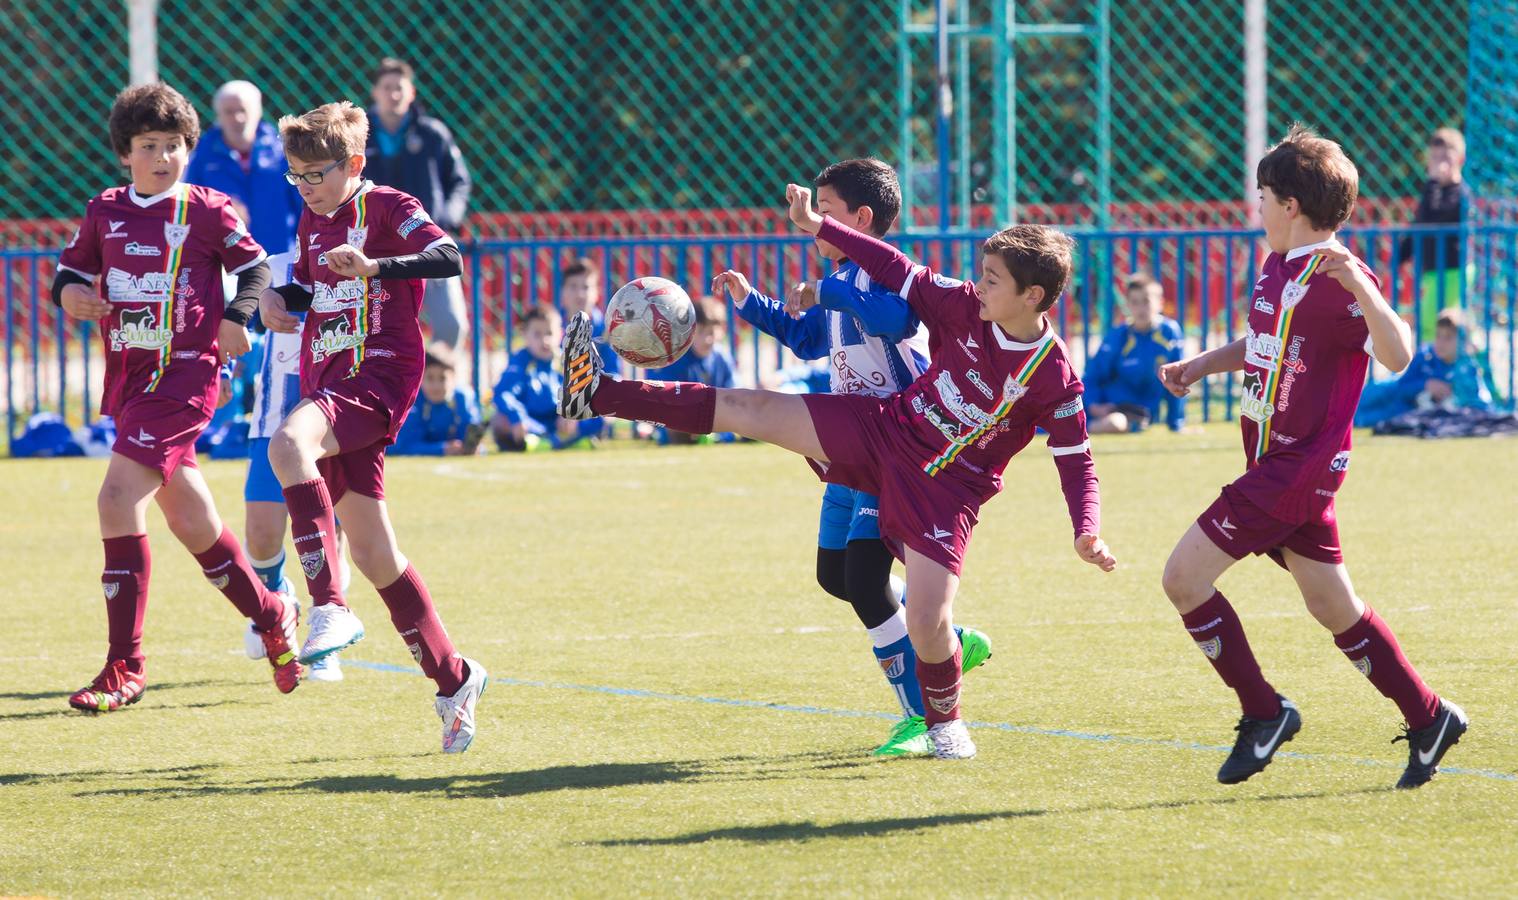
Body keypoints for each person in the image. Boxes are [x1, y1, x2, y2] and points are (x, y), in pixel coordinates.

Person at [560, 183, 1116, 760]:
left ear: (1033, 297)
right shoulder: (962, 304)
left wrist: (1087, 528)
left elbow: (1077, 460)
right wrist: (817, 225)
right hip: (886, 428)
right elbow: (894, 265)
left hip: (946, 489)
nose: (979, 284)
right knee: (752, 409)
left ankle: (946, 727)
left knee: (927, 620)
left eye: (993, 278)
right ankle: (599, 392)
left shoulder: (1054, 377)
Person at [1158, 125, 1467, 790]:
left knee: (1183, 579)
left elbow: (1397, 354)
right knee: (1335, 608)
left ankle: (1264, 713)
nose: (1259, 208)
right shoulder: (1279, 268)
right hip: (1276, 464)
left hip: (1294, 471)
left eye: (1264, 196)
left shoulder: (1336, 276)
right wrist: (1203, 365)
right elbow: (1267, 342)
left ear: (1291, 205)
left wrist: (1366, 289)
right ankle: (1430, 716)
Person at [713, 158, 990, 757]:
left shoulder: (887, 277)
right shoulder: (840, 276)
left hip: (892, 444)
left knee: (865, 579)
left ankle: (924, 713)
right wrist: (751, 303)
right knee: (834, 576)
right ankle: (945, 636)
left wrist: (829, 290)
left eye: (824, 212)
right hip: (846, 446)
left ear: (860, 219)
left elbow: (896, 321)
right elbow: (811, 339)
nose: (812, 223)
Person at [51, 83, 302, 712]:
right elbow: (71, 272)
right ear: (125, 156)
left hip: (187, 377)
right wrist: (70, 297)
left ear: (189, 149)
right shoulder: (105, 210)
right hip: (132, 381)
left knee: (115, 498)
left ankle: (124, 667)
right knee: (191, 520)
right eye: (148, 146)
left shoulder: (209, 210)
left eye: (174, 145)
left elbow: (257, 269)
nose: (163, 157)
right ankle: (271, 611)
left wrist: (236, 318)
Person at [259, 101, 486, 752]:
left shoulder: (387, 206)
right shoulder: (312, 216)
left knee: (287, 444)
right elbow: (307, 286)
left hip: (380, 373)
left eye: (316, 174)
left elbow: (447, 258)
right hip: (328, 380)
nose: (305, 188)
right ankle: (454, 678)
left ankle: (328, 603)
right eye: (296, 176)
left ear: (353, 164)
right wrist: (279, 299)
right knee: (375, 550)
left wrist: (379, 267)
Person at [237, 249, 351, 682]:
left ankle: (325, 641)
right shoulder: (271, 265)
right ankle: (276, 598)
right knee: (262, 535)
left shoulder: (352, 263)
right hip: (273, 418)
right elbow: (232, 321)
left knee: (331, 535)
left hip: (334, 420)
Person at [365, 58, 472, 356]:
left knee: (451, 324)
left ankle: (435, 388)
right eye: (387, 88)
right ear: (375, 92)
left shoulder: (432, 134)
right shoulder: (359, 137)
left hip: (427, 245)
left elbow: (459, 182)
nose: (393, 95)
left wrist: (446, 219)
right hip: (378, 251)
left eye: (400, 88)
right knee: (381, 331)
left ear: (411, 92)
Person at [184, 80, 303, 256]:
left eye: (243, 110)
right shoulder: (202, 156)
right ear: (218, 115)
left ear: (258, 111)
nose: (237, 118)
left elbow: (303, 206)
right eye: (229, 112)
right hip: (227, 259)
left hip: (281, 255)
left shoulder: (283, 151)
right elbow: (190, 210)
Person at [1354, 307, 1501, 427]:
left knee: (1369, 419)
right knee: (1364, 398)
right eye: (1438, 336)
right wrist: (1425, 385)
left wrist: (1453, 396)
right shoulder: (1425, 356)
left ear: (1463, 342)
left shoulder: (1467, 367)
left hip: (1405, 412)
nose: (1441, 342)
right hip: (1392, 397)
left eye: (1448, 337)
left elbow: (1479, 405)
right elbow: (1402, 387)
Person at [1394, 128, 1472, 342]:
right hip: (1432, 270)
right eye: (1435, 158)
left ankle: (1456, 369)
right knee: (1430, 325)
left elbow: (1439, 215)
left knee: (1439, 325)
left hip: (1453, 270)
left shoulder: (1460, 193)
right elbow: (1420, 225)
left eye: (1446, 157)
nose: (1439, 164)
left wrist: (1434, 183)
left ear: (1460, 159)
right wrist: (1399, 256)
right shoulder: (1431, 192)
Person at [1083, 273, 1185, 433]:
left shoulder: (1170, 333)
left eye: (1146, 301)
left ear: (1160, 303)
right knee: (1115, 423)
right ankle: (1077, 429)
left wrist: (1176, 425)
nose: (1141, 308)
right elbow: (1092, 377)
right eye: (1135, 302)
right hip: (1111, 409)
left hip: (1141, 413)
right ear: (1128, 305)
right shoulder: (1118, 336)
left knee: (1120, 424)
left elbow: (1178, 380)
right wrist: (1093, 405)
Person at [490, 306, 597, 451]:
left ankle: (556, 442)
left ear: (560, 334)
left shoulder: (566, 362)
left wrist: (571, 413)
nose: (545, 340)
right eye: (537, 334)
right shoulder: (520, 363)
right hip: (530, 422)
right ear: (525, 336)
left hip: (557, 422)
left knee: (598, 411)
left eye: (549, 333)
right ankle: (550, 442)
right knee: (500, 420)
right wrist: (517, 416)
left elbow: (583, 391)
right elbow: (503, 393)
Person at [647, 296, 737, 445]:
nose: (707, 339)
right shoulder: (676, 360)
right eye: (701, 332)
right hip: (682, 426)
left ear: (722, 331)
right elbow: (665, 402)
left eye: (712, 332)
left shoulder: (723, 358)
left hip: (717, 423)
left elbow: (733, 396)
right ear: (690, 332)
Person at [391, 345, 485, 456]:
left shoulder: (463, 399)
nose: (436, 386)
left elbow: (472, 437)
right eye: (430, 378)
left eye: (443, 378)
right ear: (420, 378)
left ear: (454, 378)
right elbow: (402, 447)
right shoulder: (411, 403)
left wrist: (472, 448)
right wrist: (441, 449)